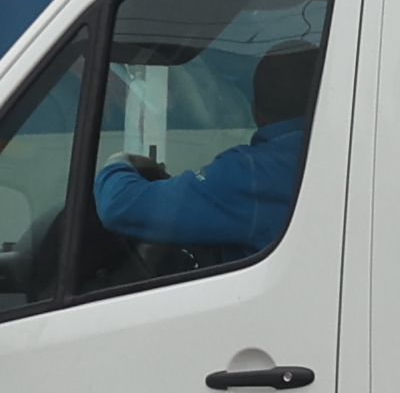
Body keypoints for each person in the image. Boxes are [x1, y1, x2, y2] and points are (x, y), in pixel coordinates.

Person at [94, 42, 323, 266]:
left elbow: (119, 205)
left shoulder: (251, 174)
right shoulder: (341, 160)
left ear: (255, 112)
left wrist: (121, 162)